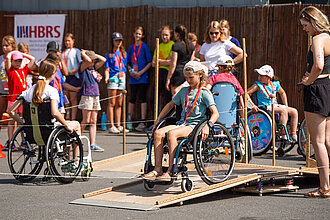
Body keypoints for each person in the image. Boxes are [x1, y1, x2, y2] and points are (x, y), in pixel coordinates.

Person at [143, 60, 219, 181]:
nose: (188, 80)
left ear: (200, 75)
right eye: (186, 78)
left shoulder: (205, 93)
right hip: (182, 123)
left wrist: (208, 125)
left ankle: (170, 170)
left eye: (191, 77)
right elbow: (169, 105)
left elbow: (216, 113)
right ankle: (157, 169)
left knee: (172, 134)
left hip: (195, 125)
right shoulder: (184, 91)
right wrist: (158, 120)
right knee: (158, 133)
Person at [8, 59, 81, 159]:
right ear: (52, 74)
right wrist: (66, 124)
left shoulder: (28, 91)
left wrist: (23, 123)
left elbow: (10, 111)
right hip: (49, 130)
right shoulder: (52, 91)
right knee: (76, 124)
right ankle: (76, 161)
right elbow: (55, 113)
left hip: (32, 132)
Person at [299, 6, 330, 198]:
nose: (304, 29)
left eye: (305, 25)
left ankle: (325, 187)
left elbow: (318, 65)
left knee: (318, 141)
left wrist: (308, 80)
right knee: (328, 140)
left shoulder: (318, 39)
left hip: (317, 89)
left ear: (313, 21)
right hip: (328, 86)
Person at [247, 65, 298, 142]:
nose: (259, 77)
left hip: (275, 105)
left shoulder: (275, 84)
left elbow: (282, 93)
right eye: (259, 75)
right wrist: (253, 105)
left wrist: (286, 105)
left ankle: (293, 133)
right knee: (283, 111)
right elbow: (246, 93)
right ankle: (282, 133)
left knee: (294, 111)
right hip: (265, 106)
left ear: (268, 77)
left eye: (262, 76)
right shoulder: (258, 85)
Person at [78, 50, 106, 152]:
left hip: (95, 95)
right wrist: (84, 53)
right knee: (86, 120)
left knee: (93, 121)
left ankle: (92, 143)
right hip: (87, 95)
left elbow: (103, 60)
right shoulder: (82, 69)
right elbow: (88, 61)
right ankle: (76, 139)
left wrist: (95, 55)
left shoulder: (93, 69)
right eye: (92, 60)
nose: (93, 62)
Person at [5, 51, 35, 143]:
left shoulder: (24, 70)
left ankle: (24, 141)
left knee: (22, 120)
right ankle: (11, 141)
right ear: (12, 61)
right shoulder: (10, 71)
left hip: (22, 99)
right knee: (11, 121)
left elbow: (32, 59)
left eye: (19, 61)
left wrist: (21, 54)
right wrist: (12, 53)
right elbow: (7, 58)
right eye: (16, 61)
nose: (18, 63)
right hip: (12, 99)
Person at [127, 26, 152, 132]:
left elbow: (150, 62)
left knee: (142, 98)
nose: (137, 35)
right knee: (132, 98)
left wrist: (141, 72)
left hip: (142, 77)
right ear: (133, 34)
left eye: (139, 34)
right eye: (136, 33)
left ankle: (143, 121)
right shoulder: (131, 47)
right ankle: (129, 120)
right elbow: (127, 63)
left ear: (142, 36)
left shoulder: (144, 47)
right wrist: (131, 72)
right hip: (133, 77)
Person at [104, 32, 127, 134]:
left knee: (119, 102)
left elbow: (126, 65)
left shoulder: (124, 53)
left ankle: (118, 124)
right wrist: (107, 77)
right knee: (112, 102)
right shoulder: (109, 54)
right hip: (113, 76)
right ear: (112, 41)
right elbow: (107, 68)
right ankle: (111, 125)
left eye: (120, 40)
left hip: (122, 76)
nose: (118, 42)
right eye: (116, 40)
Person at [166, 25, 194, 95]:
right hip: (188, 72)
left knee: (175, 96)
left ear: (177, 34)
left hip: (178, 73)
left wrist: (168, 78)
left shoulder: (176, 46)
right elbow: (192, 60)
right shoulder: (191, 45)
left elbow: (173, 64)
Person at [152, 25, 174, 111]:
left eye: (166, 35)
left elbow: (170, 62)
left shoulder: (172, 45)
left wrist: (158, 61)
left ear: (170, 35)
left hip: (167, 73)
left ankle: (166, 118)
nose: (164, 37)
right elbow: (153, 63)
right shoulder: (159, 45)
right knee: (153, 97)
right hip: (158, 72)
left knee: (167, 97)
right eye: (163, 35)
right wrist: (163, 61)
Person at [0, 36, 17, 149]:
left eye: (7, 45)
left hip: (12, 92)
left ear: (12, 46)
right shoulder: (1, 58)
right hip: (1, 90)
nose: (5, 48)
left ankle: (12, 141)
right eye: (3, 45)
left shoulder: (16, 58)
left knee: (13, 117)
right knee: (1, 116)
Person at [62, 33, 82, 120]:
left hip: (74, 77)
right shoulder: (63, 52)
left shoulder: (76, 51)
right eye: (66, 41)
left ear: (73, 41)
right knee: (66, 99)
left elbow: (81, 64)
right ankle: (67, 117)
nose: (67, 43)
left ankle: (73, 119)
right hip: (65, 76)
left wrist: (74, 71)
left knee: (73, 99)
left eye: (69, 41)